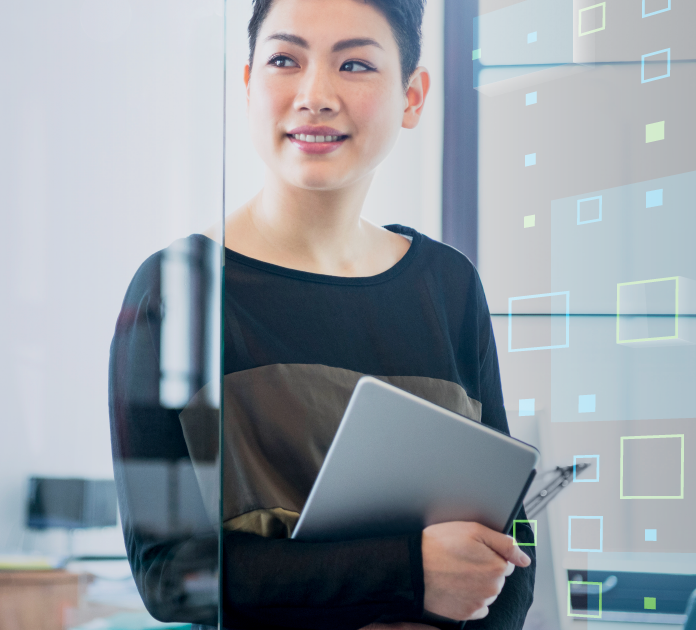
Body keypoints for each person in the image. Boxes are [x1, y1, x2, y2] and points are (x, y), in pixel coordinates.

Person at [107, 0, 533, 627]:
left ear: (412, 96)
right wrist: (409, 573)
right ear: (249, 85)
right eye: (285, 59)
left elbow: (509, 545)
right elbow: (171, 575)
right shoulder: (174, 292)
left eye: (355, 64)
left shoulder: (449, 286)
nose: (315, 94)